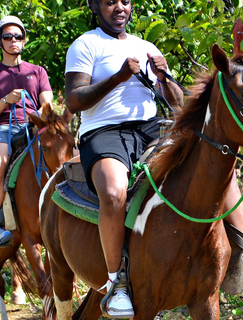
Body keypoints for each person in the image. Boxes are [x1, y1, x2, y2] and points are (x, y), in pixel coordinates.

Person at [65, 0, 184, 317]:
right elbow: (74, 100)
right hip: (103, 132)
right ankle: (116, 283)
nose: (119, 7)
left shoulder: (146, 46)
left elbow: (178, 103)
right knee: (115, 192)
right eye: (109, 1)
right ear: (94, 6)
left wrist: (164, 78)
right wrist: (117, 78)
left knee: (208, 165)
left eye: (126, 1)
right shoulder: (86, 44)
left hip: (151, 129)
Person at [0, 15, 54, 247]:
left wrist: (40, 115)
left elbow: (47, 105)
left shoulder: (38, 71)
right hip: (6, 127)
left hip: (35, 124)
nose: (14, 41)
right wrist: (5, 101)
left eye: (18, 36)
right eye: (8, 37)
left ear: (24, 40)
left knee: (64, 155)